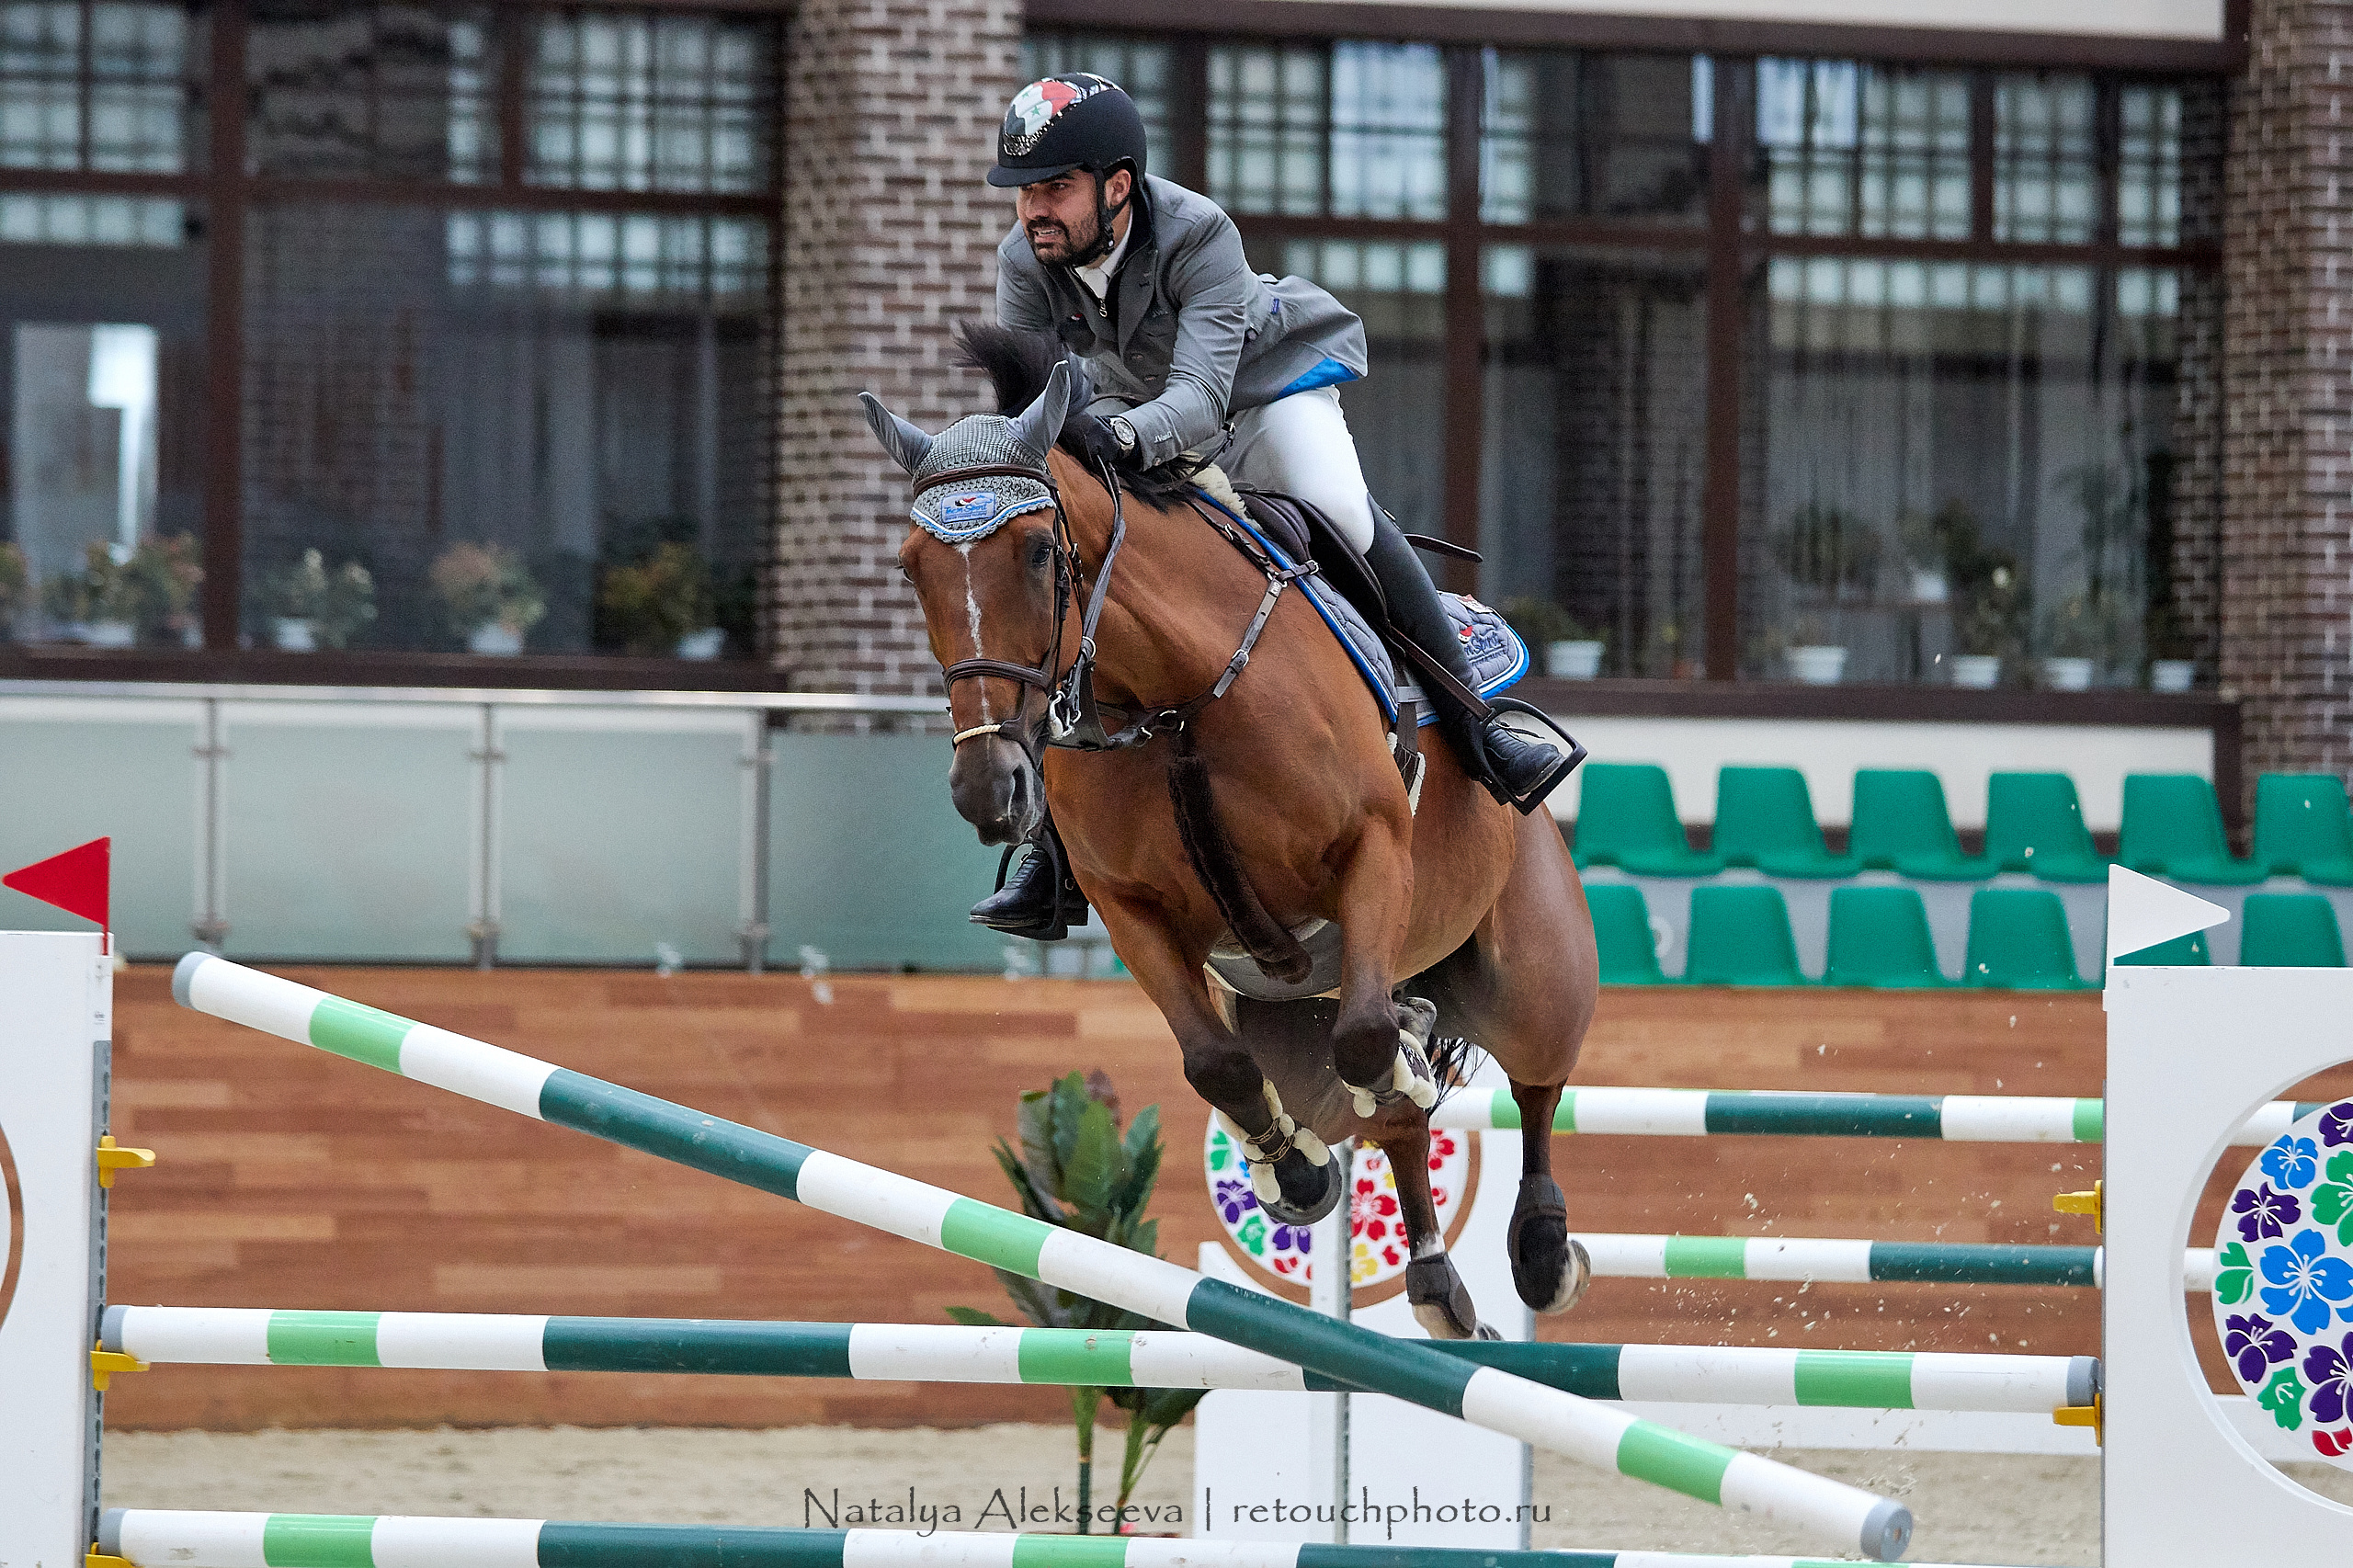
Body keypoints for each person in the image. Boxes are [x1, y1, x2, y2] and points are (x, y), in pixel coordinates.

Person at [972, 73, 1574, 940]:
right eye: (1026, 191)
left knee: (1338, 507)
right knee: (1070, 570)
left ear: (1117, 187)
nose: (1035, 211)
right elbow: (1035, 405)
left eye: (1055, 188)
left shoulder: (1198, 234)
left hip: (1259, 397)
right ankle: (1057, 849)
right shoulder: (1022, 263)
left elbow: (1202, 395)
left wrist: (1119, 441)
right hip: (1127, 420)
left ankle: (1482, 732)